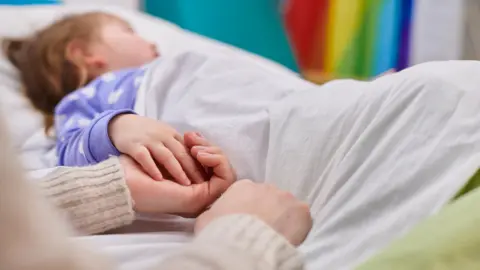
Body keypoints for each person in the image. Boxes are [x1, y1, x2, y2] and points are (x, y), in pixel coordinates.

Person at [0, 109, 313, 269]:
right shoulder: (98, 87)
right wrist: (243, 241)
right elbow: (69, 133)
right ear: (84, 53)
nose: (150, 43)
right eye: (124, 32)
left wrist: (111, 187)